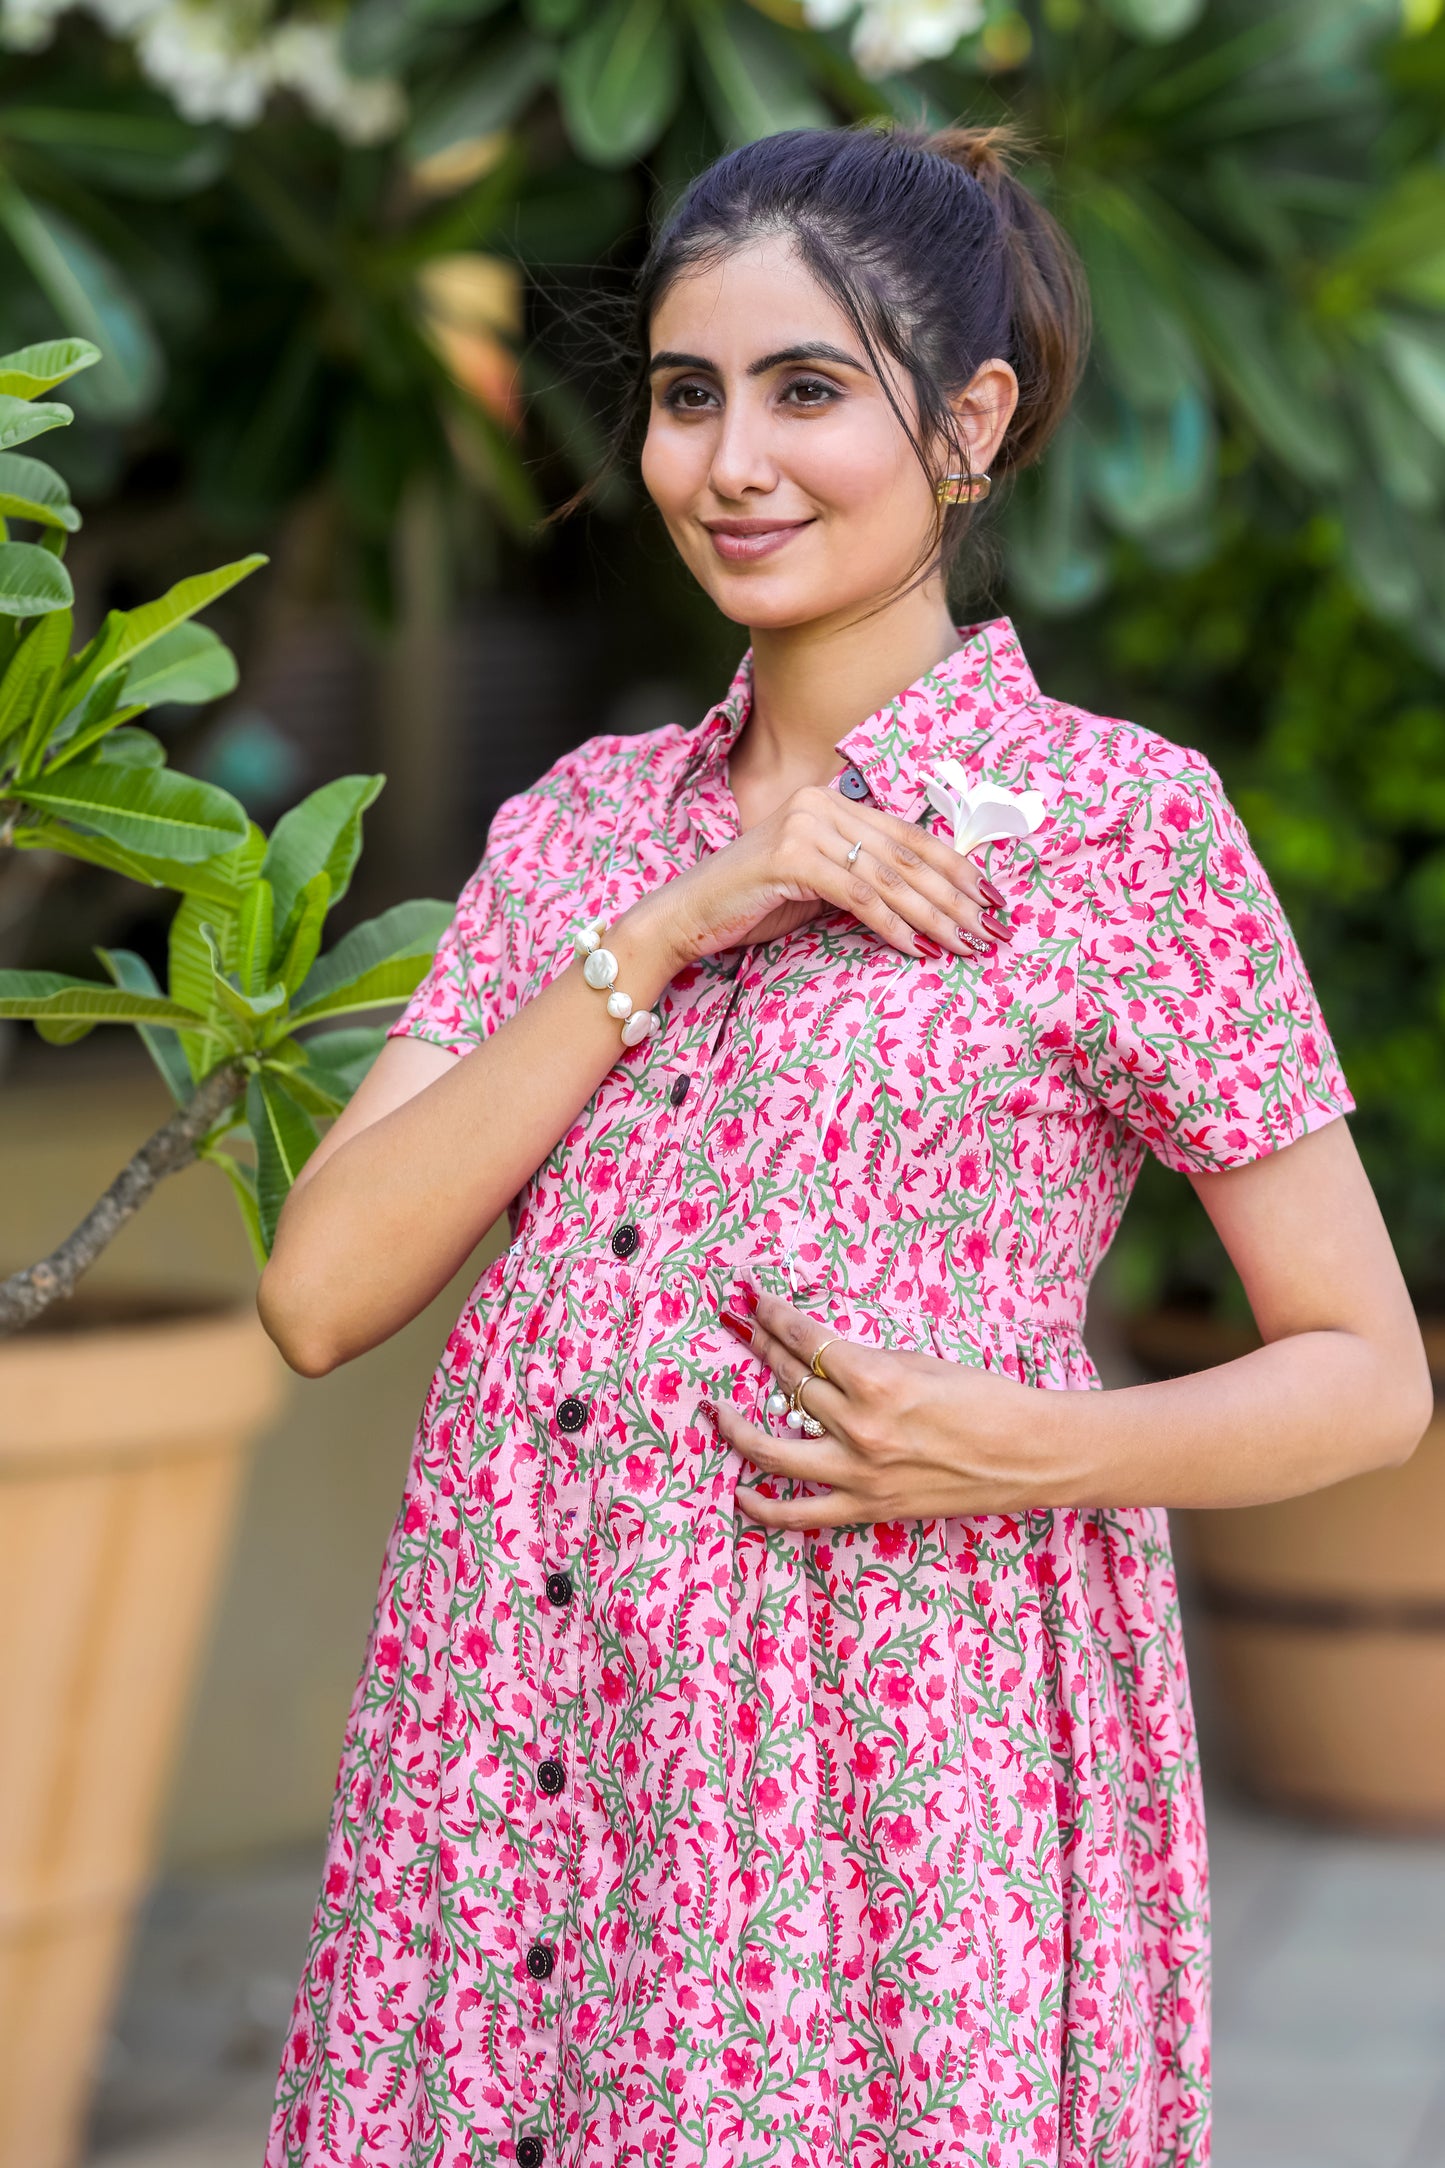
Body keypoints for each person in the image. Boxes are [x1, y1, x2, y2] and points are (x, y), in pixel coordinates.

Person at [258, 125, 1430, 2168]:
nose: (734, 462)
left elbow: (1368, 1378)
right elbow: (320, 1285)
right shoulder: (582, 831)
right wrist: (683, 913)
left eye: (809, 391)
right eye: (688, 395)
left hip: (876, 1813)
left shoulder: (1121, 832)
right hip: (517, 1762)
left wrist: (1019, 1441)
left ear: (972, 423)